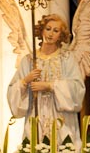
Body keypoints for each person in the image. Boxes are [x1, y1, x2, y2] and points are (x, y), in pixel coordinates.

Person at [7, 14, 85, 145]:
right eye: (48, 29)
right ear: (42, 30)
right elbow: (12, 92)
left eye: (56, 30)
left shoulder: (66, 58)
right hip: (36, 116)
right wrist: (25, 81)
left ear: (61, 35)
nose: (51, 34)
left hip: (61, 119)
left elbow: (77, 88)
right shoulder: (29, 60)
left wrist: (50, 86)